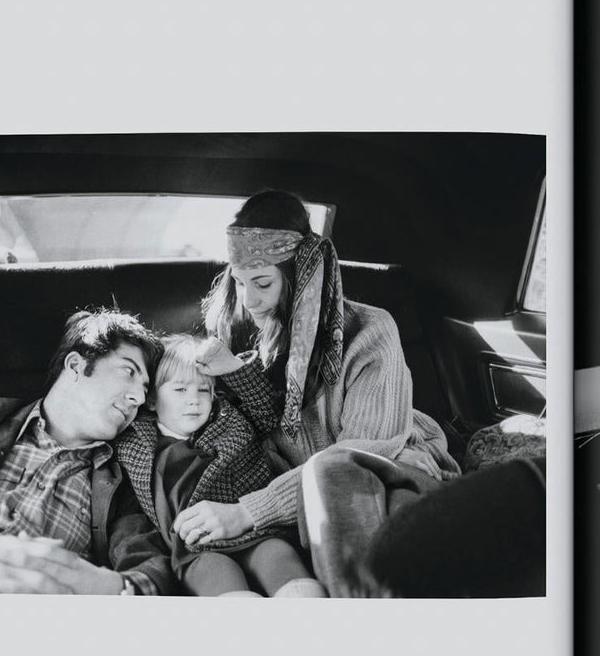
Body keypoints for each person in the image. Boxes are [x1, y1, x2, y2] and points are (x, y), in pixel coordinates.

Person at [169, 190, 459, 595]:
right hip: (308, 489)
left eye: (263, 283)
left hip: (390, 461)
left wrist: (248, 512)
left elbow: (359, 455)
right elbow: (252, 435)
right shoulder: (236, 331)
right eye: (239, 281)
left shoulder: (371, 330)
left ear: (301, 275)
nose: (249, 300)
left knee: (393, 526)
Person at [0, 308, 178, 595]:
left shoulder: (125, 482)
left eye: (145, 389)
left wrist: (112, 587)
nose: (139, 398)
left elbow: (152, 569)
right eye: (128, 372)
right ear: (76, 366)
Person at [112, 333, 322, 597]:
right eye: (180, 390)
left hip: (255, 529)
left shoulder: (230, 418)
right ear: (152, 399)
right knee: (217, 576)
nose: (194, 399)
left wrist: (232, 368)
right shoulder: (135, 440)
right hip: (196, 547)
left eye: (203, 390)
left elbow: (269, 411)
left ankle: (303, 600)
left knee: (279, 558)